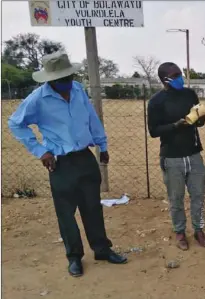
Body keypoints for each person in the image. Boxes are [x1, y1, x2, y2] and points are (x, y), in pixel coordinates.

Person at [8, 51, 127, 277]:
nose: (66, 83)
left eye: (69, 78)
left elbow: (92, 118)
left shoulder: (78, 90)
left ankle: (102, 249)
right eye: (61, 80)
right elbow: (15, 124)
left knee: (93, 207)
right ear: (50, 80)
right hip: (60, 164)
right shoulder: (37, 99)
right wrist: (41, 151)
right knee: (66, 213)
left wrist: (102, 146)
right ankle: (74, 257)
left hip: (85, 158)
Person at [147, 62, 205, 251]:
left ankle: (199, 229)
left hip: (194, 154)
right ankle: (180, 231)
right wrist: (176, 125)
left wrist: (200, 117)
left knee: (198, 195)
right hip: (172, 157)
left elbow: (200, 121)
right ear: (165, 79)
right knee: (176, 198)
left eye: (180, 74)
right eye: (175, 75)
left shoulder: (189, 94)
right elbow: (153, 130)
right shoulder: (156, 101)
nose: (180, 78)